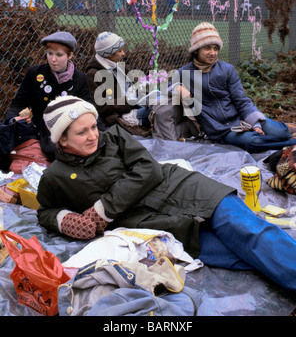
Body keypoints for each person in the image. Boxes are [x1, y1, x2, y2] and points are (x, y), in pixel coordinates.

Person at [36, 95, 296, 294]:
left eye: (93, 126)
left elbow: (148, 169)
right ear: (62, 141)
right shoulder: (54, 177)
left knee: (249, 231)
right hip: (156, 225)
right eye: (82, 132)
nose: (93, 135)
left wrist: (105, 208)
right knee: (234, 254)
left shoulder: (114, 137)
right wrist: (64, 219)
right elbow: (45, 210)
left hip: (185, 188)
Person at [173, 22, 296, 153]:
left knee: (279, 133)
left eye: (216, 48)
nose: (213, 53)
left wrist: (256, 124)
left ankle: (284, 129)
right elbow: (166, 87)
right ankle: (291, 142)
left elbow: (241, 101)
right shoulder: (185, 73)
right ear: (196, 50)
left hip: (241, 118)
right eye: (207, 48)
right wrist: (178, 88)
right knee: (254, 142)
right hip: (220, 130)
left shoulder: (227, 69)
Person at [4, 31, 95, 162]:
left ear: (70, 55)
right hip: (41, 129)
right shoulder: (35, 73)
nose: (53, 59)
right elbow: (19, 103)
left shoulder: (79, 78)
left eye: (59, 55)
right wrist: (13, 118)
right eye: (50, 53)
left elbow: (88, 107)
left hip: (70, 129)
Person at [85, 31, 150, 136]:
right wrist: (128, 101)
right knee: (159, 113)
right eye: (120, 51)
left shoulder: (119, 66)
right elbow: (101, 107)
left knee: (161, 103)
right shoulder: (93, 74)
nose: (123, 53)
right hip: (121, 116)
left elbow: (135, 83)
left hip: (136, 106)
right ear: (109, 54)